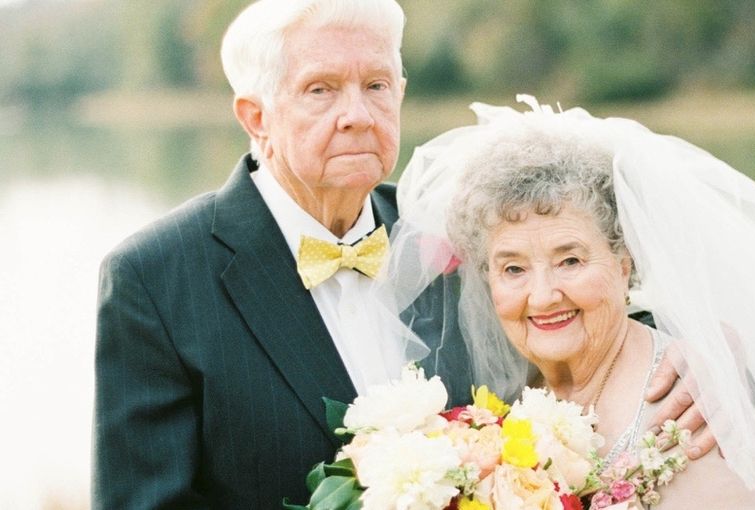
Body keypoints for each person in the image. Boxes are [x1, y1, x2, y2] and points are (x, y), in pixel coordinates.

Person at [92, 2, 707, 509]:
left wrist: (696, 352)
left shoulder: (454, 233)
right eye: (321, 90)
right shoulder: (153, 279)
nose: (357, 115)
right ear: (256, 117)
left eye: (376, 85)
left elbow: (568, 304)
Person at [380, 97, 755, 508]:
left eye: (571, 260)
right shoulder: (501, 395)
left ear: (624, 263)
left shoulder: (686, 411)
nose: (542, 295)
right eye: (513, 268)